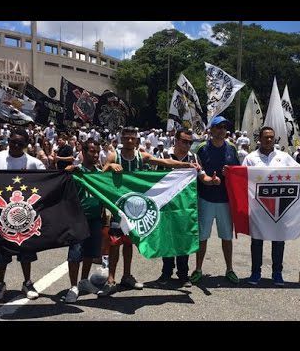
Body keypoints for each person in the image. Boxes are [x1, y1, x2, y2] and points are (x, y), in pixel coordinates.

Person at [98, 126, 199, 296]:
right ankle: (110, 279)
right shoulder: (114, 155)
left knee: (129, 242)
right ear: (122, 139)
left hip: (135, 207)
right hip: (119, 206)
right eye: (127, 138)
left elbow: (164, 162)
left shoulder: (141, 156)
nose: (130, 141)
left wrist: (186, 164)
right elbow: (101, 174)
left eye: (133, 138)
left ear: (137, 140)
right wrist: (111, 165)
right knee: (115, 244)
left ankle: (127, 276)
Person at [0, 128, 46, 301]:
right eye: (12, 142)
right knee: (2, 252)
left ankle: (27, 282)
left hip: (26, 216)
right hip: (1, 215)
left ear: (26, 145)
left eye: (20, 144)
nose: (15, 146)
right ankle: (0, 283)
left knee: (26, 251)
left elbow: (47, 180)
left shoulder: (34, 163)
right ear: (8, 140)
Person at [156, 128, 220, 288]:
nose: (187, 145)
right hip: (167, 204)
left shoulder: (193, 157)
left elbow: (202, 176)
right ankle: (166, 272)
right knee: (167, 238)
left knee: (184, 239)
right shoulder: (163, 156)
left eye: (190, 142)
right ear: (175, 140)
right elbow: (153, 177)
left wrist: (211, 181)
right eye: (184, 141)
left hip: (186, 206)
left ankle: (183, 274)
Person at [242, 126, 300, 286]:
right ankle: (255, 273)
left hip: (279, 206)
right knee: (257, 242)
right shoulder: (250, 158)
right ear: (259, 139)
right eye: (266, 137)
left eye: (271, 137)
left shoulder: (284, 157)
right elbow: (241, 178)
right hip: (258, 206)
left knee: (279, 241)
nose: (269, 140)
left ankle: (277, 273)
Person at [190, 116, 241, 285]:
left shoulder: (232, 148)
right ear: (211, 130)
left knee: (227, 237)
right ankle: (198, 269)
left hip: (225, 201)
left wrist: (230, 175)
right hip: (206, 199)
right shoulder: (201, 148)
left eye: (224, 127)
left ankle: (229, 269)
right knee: (202, 237)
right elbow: (197, 172)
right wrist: (209, 181)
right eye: (218, 127)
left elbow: (238, 172)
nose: (221, 130)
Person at [64, 139, 105, 303]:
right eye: (91, 151)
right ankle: (73, 286)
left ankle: (83, 281)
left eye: (97, 152)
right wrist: (66, 172)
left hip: (96, 218)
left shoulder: (101, 174)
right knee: (75, 254)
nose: (95, 155)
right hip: (78, 219)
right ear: (83, 152)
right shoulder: (75, 173)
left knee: (90, 252)